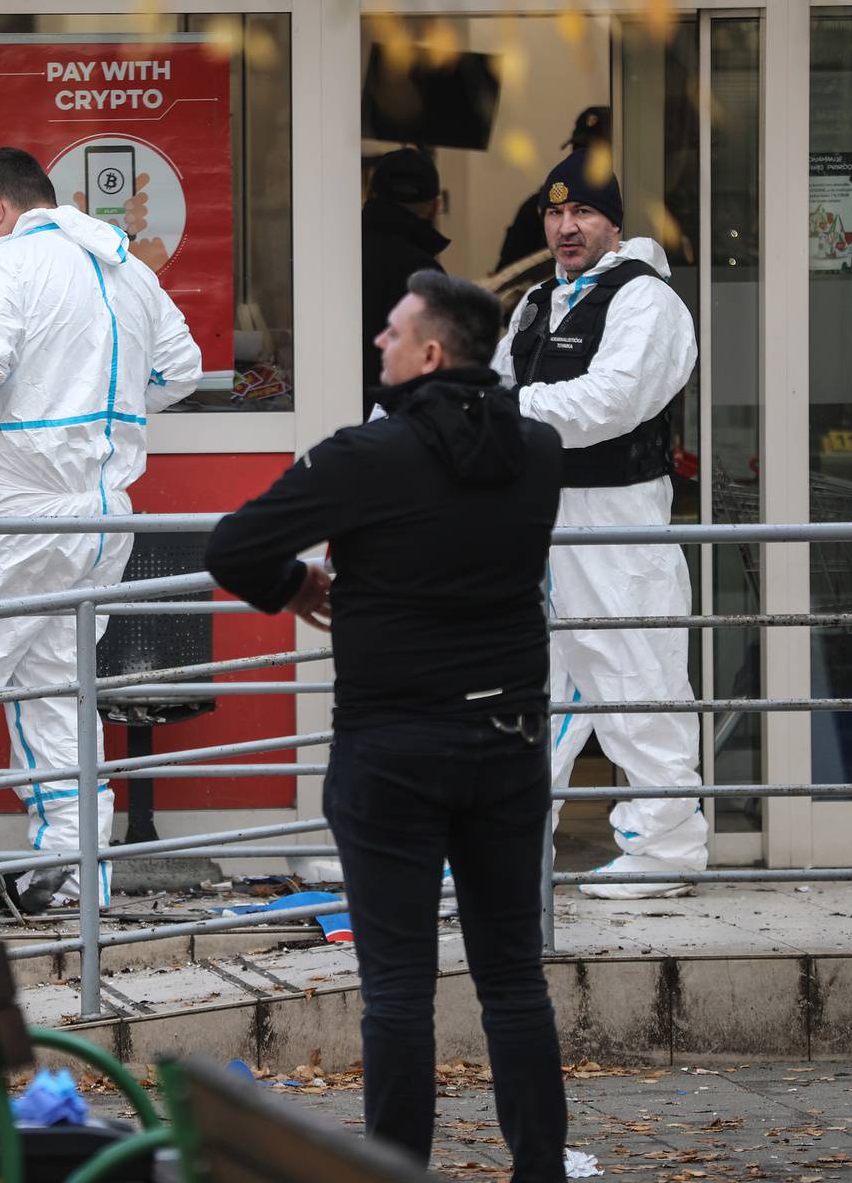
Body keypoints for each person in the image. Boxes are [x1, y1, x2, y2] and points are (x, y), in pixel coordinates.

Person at [205, 270, 567, 1177]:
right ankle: (541, 1170)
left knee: (398, 987)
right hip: (510, 740)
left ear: (431, 353)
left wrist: (296, 586)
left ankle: (397, 1170)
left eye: (394, 332)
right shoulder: (542, 450)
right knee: (514, 979)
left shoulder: (368, 457)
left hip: (392, 747)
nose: (380, 344)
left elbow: (233, 546)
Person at [0, 148, 204, 912]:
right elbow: (181, 368)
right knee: (58, 696)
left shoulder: (4, 270)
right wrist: (102, 414)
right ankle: (71, 878)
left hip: (8, 514)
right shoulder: (126, 268)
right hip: (97, 518)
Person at [491, 145, 705, 899]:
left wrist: (495, 412)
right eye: (554, 212)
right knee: (529, 690)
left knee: (635, 676)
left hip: (615, 523)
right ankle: (509, 849)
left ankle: (666, 849)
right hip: (536, 524)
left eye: (582, 211)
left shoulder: (646, 302)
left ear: (614, 221)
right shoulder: (537, 302)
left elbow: (609, 403)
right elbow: (494, 384)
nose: (566, 226)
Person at [361, 148, 450, 417]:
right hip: (392, 424)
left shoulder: (334, 251)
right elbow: (433, 364)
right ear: (435, 205)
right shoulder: (425, 272)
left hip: (327, 412)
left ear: (369, 195)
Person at [494, 107, 611, 275]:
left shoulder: (626, 207)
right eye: (578, 148)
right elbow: (508, 275)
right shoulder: (538, 207)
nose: (583, 159)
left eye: (595, 152)